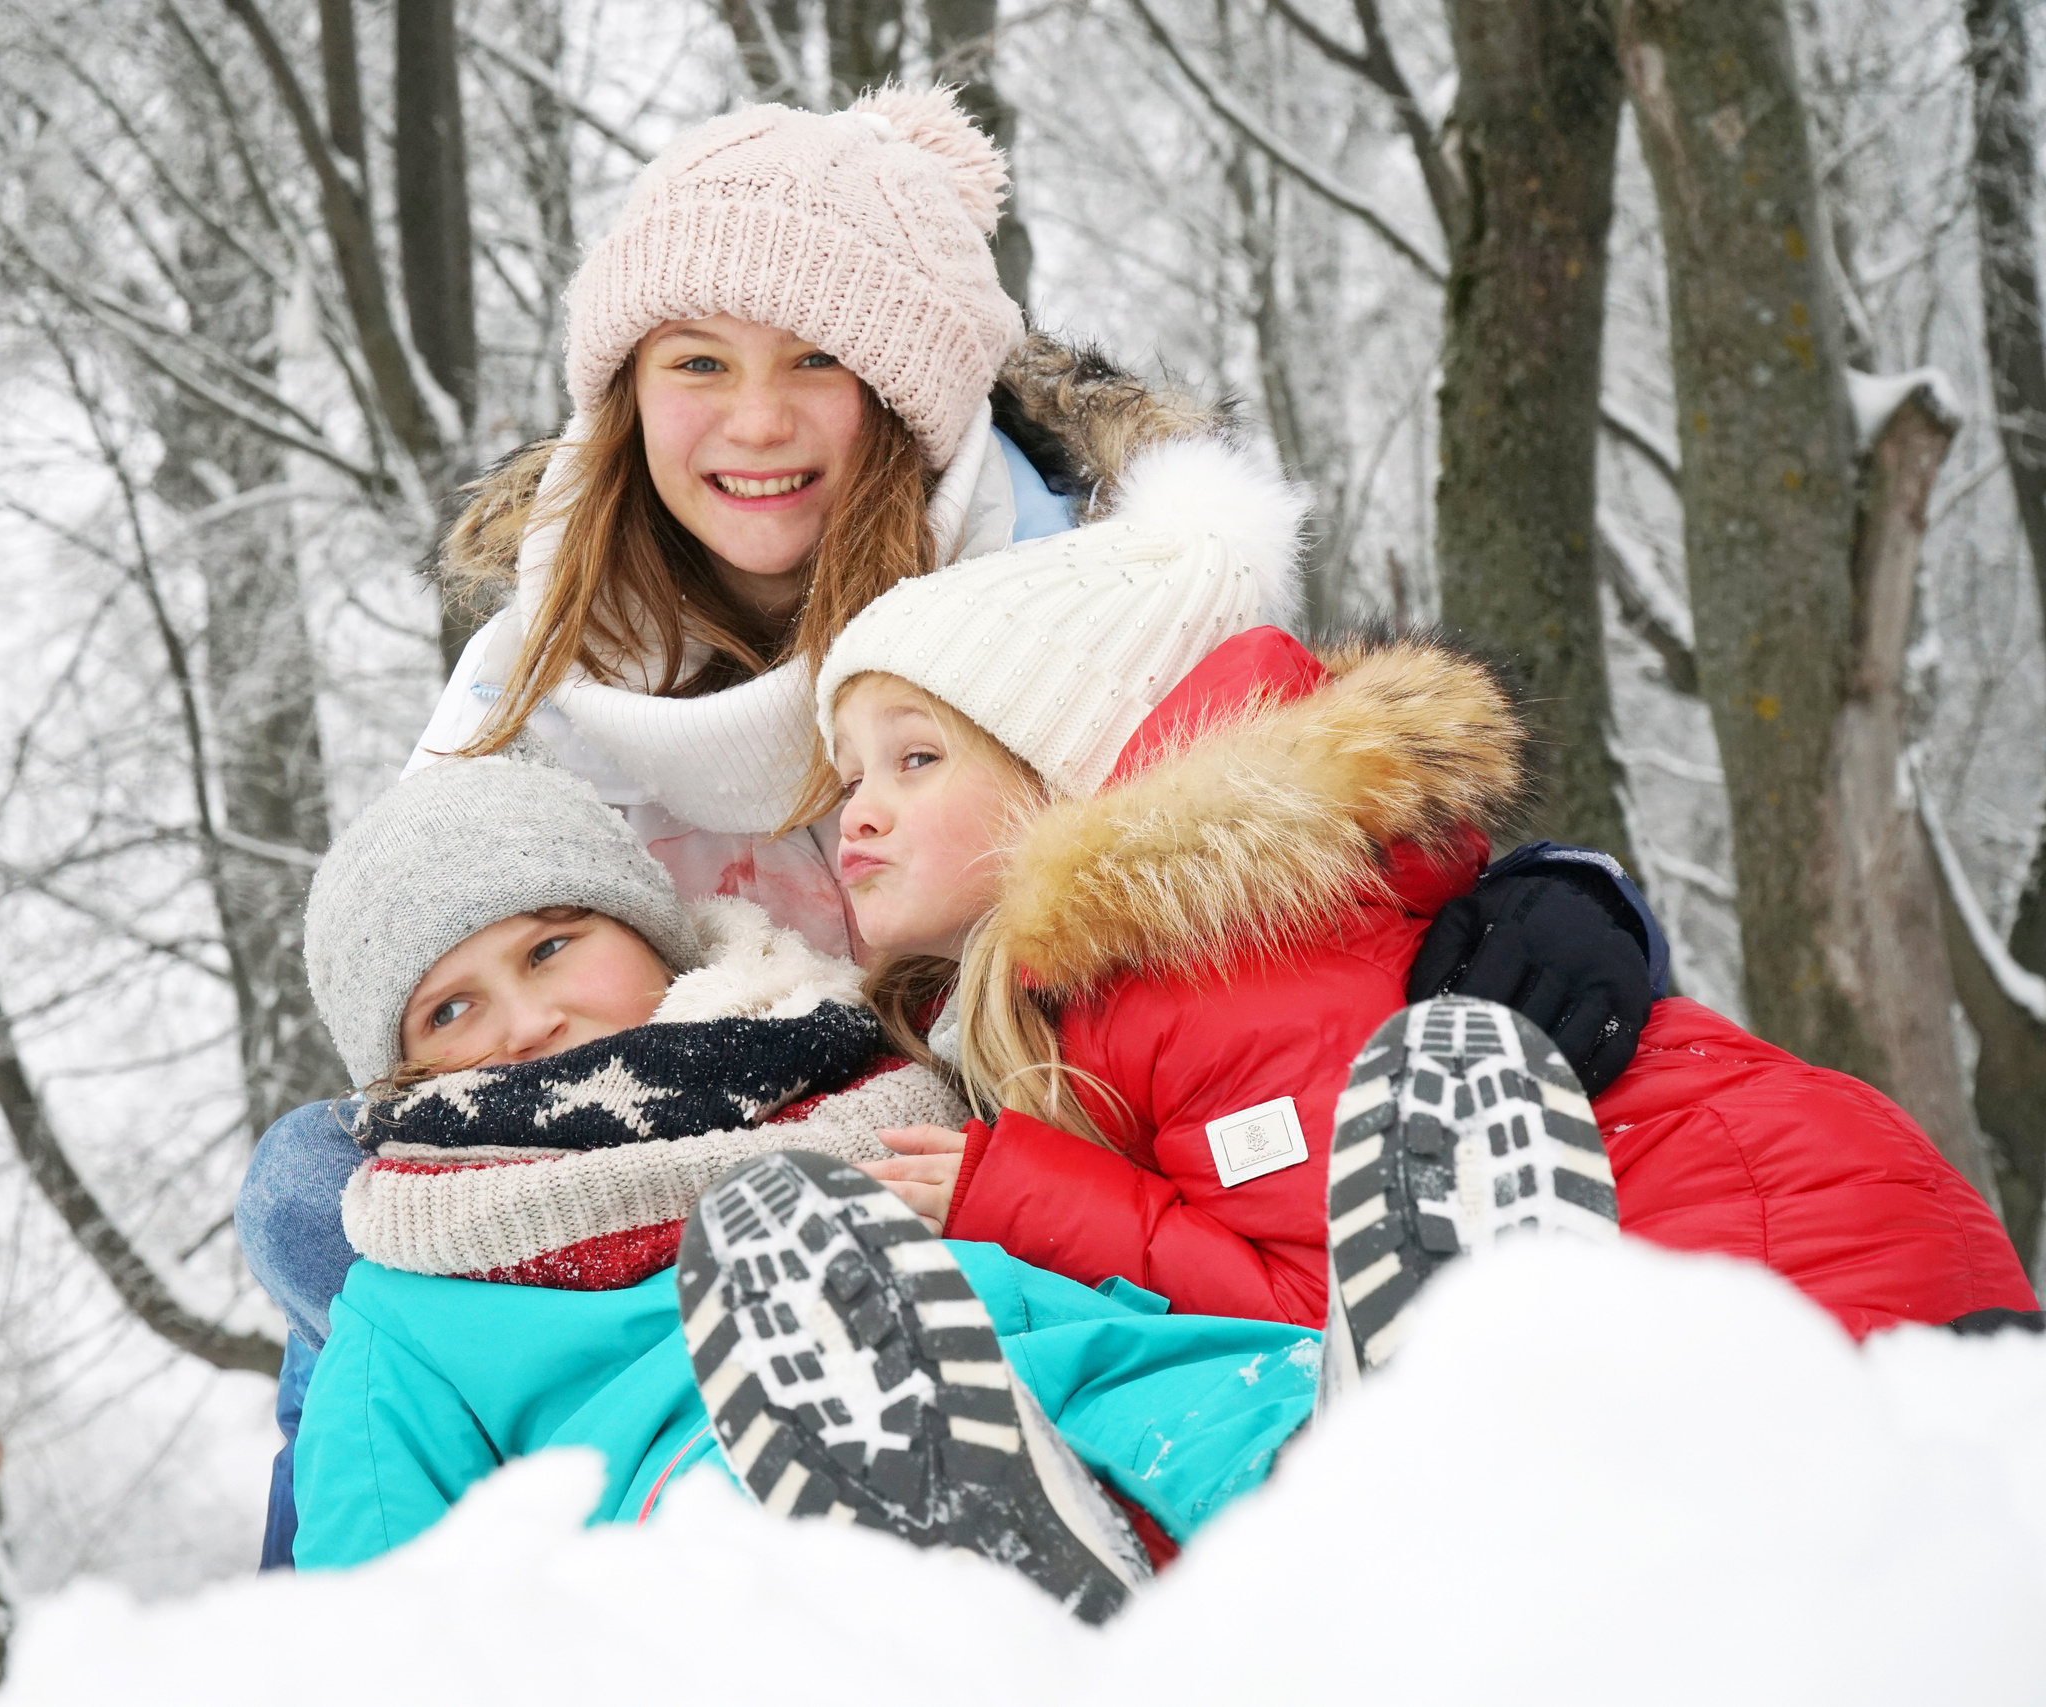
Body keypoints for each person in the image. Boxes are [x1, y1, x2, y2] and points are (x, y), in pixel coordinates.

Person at [240, 83, 1661, 1560]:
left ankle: (1371, 1425)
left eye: (818, 359)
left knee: (1420, 1051)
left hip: (1033, 1133)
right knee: (323, 1187)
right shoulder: (533, 681)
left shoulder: (1060, 604)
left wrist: (1564, 894)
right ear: (627, 393)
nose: (757, 420)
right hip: (678, 1247)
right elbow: (425, 965)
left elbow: (1293, 804)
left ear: (904, 386)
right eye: (697, 362)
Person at [806, 474, 2040, 1344]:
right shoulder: (1126, 986)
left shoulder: (1220, 972)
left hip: (1791, 1261)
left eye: (916, 761)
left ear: (1062, 776)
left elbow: (1359, 1308)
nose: (858, 812)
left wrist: (1026, 1199)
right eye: (847, 774)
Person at [286, 757, 1323, 1622]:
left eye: (551, 948)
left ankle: (1375, 1443)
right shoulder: (410, 1301)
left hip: (1066, 1375)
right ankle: (960, 1574)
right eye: (449, 1012)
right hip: (712, 1539)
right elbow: (382, 1617)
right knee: (749, 1493)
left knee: (1224, 1405)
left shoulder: (874, 1082)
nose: (523, 1022)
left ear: (650, 932)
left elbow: (1093, 1268)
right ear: (401, 1075)